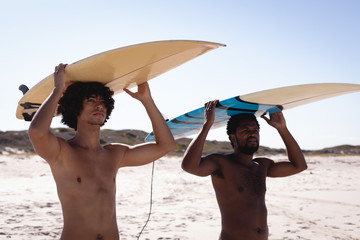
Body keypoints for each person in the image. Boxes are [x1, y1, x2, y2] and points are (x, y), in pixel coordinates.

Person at [28, 63, 176, 240]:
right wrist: (58, 90)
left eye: (102, 102)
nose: (99, 106)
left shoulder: (114, 154)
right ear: (75, 108)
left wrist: (147, 100)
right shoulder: (61, 152)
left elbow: (166, 145)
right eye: (91, 100)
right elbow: (37, 131)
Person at [181, 100, 307, 240]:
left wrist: (282, 129)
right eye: (246, 131)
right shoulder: (221, 164)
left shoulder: (262, 166)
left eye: (255, 131)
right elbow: (189, 166)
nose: (252, 134)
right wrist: (207, 125)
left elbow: (299, 166)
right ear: (233, 137)